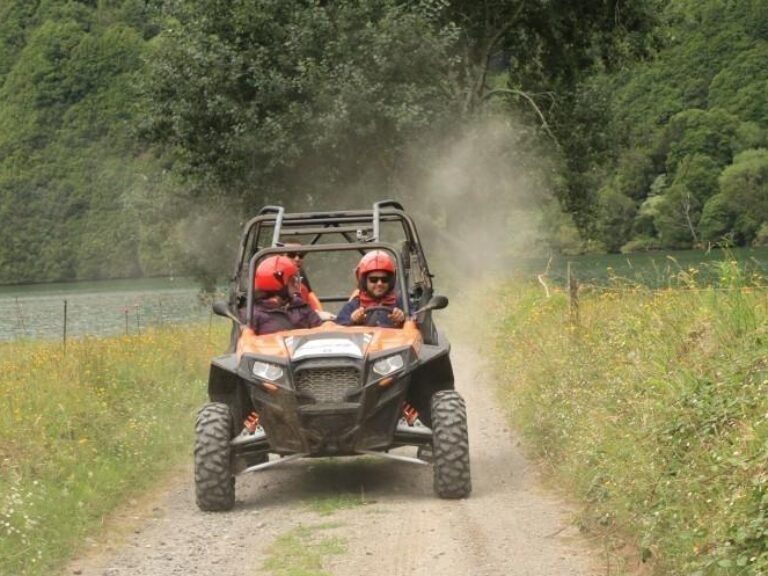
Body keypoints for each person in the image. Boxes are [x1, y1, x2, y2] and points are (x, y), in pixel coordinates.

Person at [250, 255, 322, 335]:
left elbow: (320, 327)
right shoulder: (252, 314)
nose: (297, 284)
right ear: (279, 285)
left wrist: (329, 324)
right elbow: (247, 342)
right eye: (292, 280)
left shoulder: (301, 306)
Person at [336, 250, 405, 328]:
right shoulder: (353, 305)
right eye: (373, 279)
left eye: (384, 279)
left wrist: (402, 319)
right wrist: (352, 320)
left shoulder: (401, 302)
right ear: (364, 281)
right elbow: (338, 328)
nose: (379, 283)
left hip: (393, 339)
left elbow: (415, 321)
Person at [282, 242, 323, 312]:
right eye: (291, 255)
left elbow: (311, 299)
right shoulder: (272, 282)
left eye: (301, 256)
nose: (297, 259)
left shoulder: (301, 281)